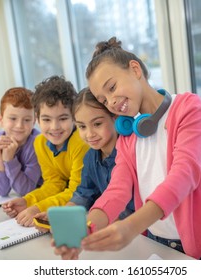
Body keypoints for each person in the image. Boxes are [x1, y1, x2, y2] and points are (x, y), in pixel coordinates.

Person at [54, 37, 201, 260]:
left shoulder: (188, 108)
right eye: (103, 100)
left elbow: (184, 175)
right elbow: (117, 189)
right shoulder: (129, 134)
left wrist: (130, 227)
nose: (110, 102)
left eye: (112, 88)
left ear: (135, 69)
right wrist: (88, 229)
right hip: (158, 244)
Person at [33, 88, 134, 232]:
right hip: (111, 228)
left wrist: (91, 223)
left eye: (97, 124)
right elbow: (84, 193)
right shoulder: (91, 157)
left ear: (115, 117)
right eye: (82, 126)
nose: (89, 134)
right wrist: (61, 214)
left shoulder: (130, 152)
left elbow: (131, 205)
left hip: (138, 231)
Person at [2, 75, 90, 227]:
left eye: (62, 118)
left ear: (74, 117)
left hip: (88, 204)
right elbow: (54, 183)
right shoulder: (40, 142)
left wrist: (38, 208)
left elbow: (76, 192)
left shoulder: (81, 143)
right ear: (37, 119)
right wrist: (27, 201)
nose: (54, 127)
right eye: (47, 119)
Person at [0, 87, 42, 197]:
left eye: (27, 120)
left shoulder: (37, 144)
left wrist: (9, 160)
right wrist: (0, 160)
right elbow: (1, 191)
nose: (19, 126)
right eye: (13, 119)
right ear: (1, 120)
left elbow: (26, 190)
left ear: (34, 121)